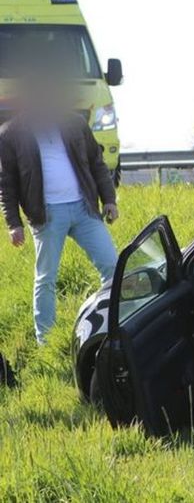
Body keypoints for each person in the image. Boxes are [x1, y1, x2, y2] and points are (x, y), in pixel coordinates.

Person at [0, 71, 119, 345]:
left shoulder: (75, 124)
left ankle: (109, 328)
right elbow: (6, 184)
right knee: (46, 279)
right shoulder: (11, 135)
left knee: (112, 267)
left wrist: (109, 199)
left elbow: (97, 163)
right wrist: (13, 223)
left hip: (84, 209)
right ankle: (47, 342)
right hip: (46, 215)